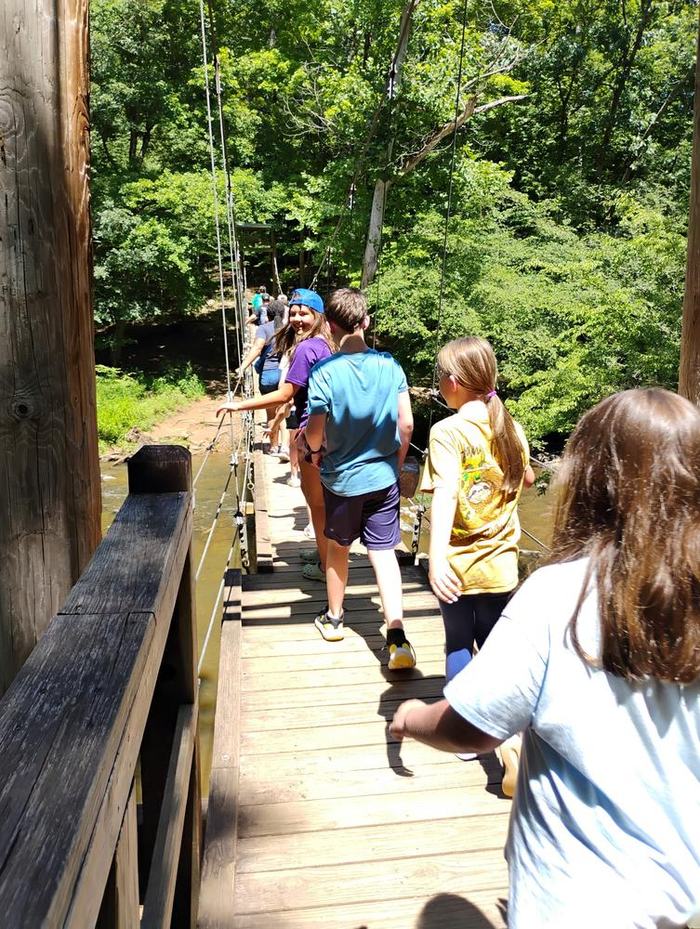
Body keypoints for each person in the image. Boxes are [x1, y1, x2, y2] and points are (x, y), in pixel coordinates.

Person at [390, 387, 700, 929]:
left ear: (588, 481)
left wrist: (411, 719)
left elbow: (472, 729)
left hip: (568, 896)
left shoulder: (560, 594)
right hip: (675, 890)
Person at [420, 336, 534, 773]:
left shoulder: (447, 431)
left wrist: (436, 557)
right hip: (502, 563)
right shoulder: (510, 425)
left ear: (453, 381)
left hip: (460, 566)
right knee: (496, 648)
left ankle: (466, 738)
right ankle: (514, 735)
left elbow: (446, 493)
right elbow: (525, 480)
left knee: (458, 644)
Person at [304, 288, 416, 670]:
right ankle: (397, 638)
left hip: (341, 481)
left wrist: (313, 450)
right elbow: (407, 423)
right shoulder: (391, 366)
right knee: (384, 553)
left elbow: (315, 432)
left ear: (329, 326)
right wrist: (396, 464)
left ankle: (334, 619)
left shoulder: (324, 373)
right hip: (383, 478)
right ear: (366, 322)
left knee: (338, 549)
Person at [217, 288, 333, 579]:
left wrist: (240, 405)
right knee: (320, 499)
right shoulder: (324, 345)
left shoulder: (307, 349)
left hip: (312, 433)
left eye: (303, 313)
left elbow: (285, 394)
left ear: (317, 316)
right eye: (293, 312)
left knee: (316, 502)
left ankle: (324, 566)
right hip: (327, 431)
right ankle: (323, 551)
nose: (296, 318)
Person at [235, 300, 286, 454]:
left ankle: (273, 446)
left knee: (271, 413)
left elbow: (257, 349)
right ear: (284, 314)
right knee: (283, 411)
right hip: (285, 375)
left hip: (268, 376)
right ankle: (285, 447)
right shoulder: (289, 328)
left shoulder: (263, 329)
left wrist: (242, 367)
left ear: (267, 314)